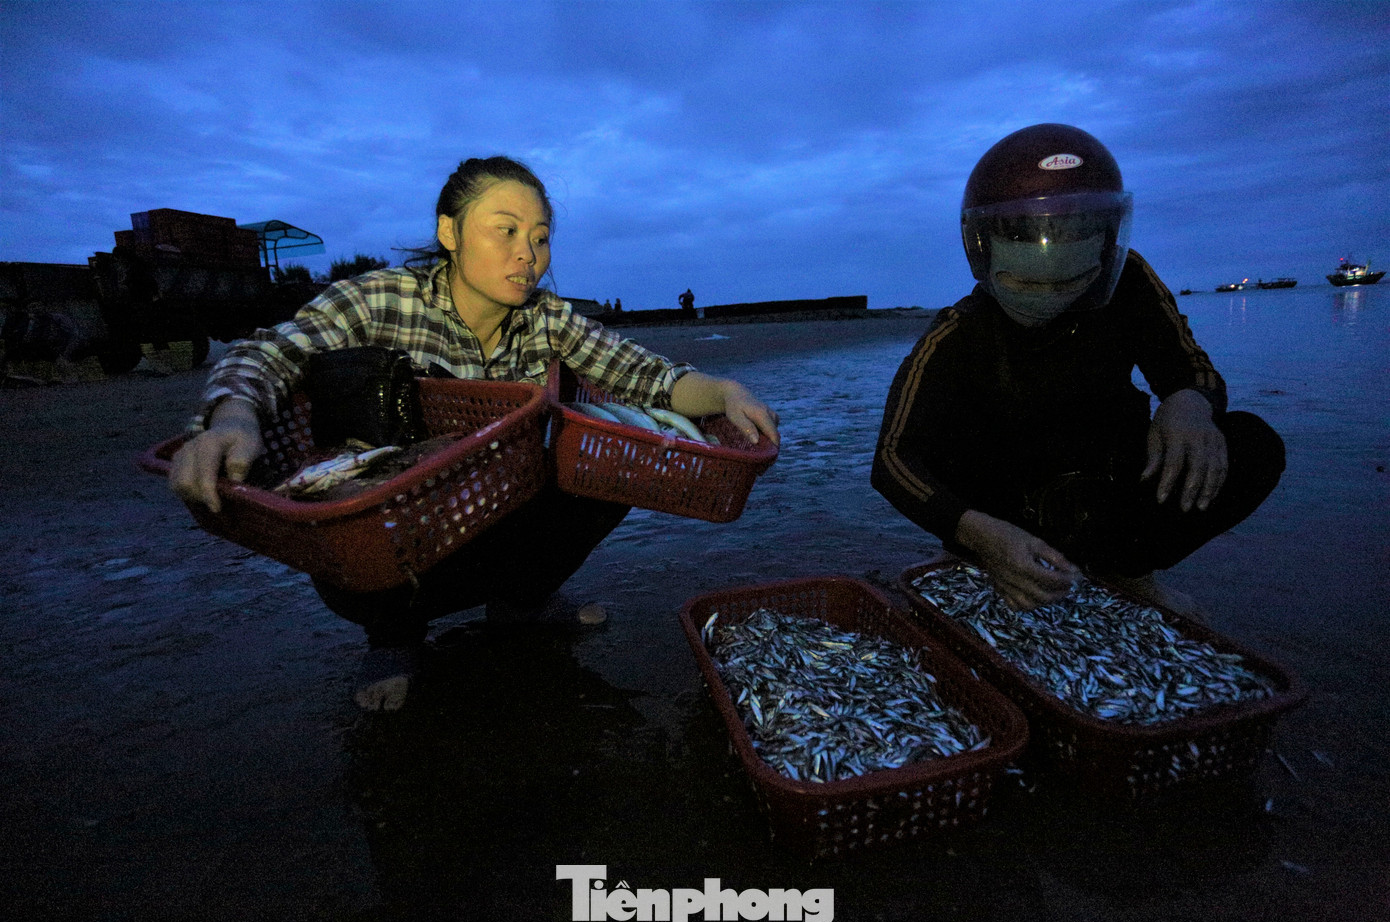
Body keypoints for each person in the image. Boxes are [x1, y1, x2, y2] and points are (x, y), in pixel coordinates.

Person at [170, 156, 780, 711]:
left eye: (541, 238)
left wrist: (724, 390)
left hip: (499, 508)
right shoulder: (384, 297)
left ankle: (521, 604)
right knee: (356, 489)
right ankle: (393, 638)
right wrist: (232, 418)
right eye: (505, 229)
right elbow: (272, 352)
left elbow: (646, 376)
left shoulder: (547, 317)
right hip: (399, 521)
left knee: (610, 466)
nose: (528, 254)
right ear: (450, 233)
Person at [873, 124, 1284, 617]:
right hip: (1007, 504)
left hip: (1098, 494)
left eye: (1072, 282)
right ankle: (974, 556)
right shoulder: (958, 332)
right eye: (1024, 282)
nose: (1049, 301)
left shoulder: (1129, 281)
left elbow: (1190, 368)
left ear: (1105, 249)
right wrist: (976, 531)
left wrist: (1188, 404)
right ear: (984, 252)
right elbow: (893, 460)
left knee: (1250, 443)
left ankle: (1127, 568)